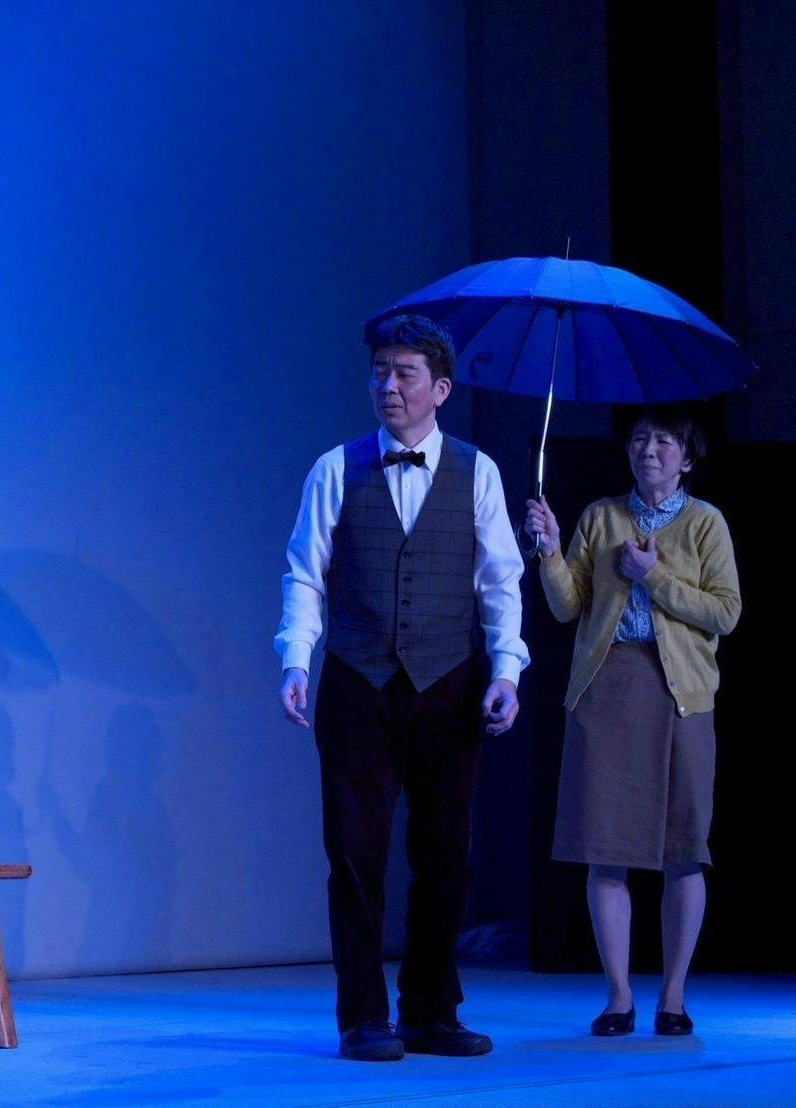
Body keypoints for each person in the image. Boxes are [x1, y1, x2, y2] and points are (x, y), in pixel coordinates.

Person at [275, 313, 528, 1062]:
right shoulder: (335, 468)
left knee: (445, 855)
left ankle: (429, 1011)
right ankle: (362, 1017)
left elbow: (500, 582)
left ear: (439, 389)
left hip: (449, 682)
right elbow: (303, 573)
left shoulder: (478, 472)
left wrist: (506, 672)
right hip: (358, 681)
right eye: (379, 371)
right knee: (355, 856)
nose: (388, 386)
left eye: (404, 373)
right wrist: (295, 660)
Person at [524, 408, 740, 1038]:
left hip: (682, 695)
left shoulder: (706, 522)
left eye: (664, 441)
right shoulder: (601, 516)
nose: (649, 450)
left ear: (687, 458)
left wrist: (655, 577)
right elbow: (567, 606)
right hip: (608, 687)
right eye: (641, 439)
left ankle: (673, 997)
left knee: (684, 852)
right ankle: (618, 997)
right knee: (605, 851)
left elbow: (725, 613)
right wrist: (549, 549)